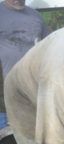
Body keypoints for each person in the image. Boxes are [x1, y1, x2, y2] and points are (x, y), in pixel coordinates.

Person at [0, 0, 49, 129]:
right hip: (6, 85)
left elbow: (48, 44)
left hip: (33, 83)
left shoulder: (35, 16)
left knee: (31, 128)